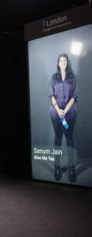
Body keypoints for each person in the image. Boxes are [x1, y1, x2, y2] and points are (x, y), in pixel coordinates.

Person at [49, 53, 77, 183]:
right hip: (56, 115)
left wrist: (65, 110)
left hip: (69, 115)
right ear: (58, 63)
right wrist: (58, 110)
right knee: (58, 139)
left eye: (65, 61)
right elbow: (51, 95)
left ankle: (71, 168)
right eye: (61, 61)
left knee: (69, 139)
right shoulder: (54, 77)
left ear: (67, 63)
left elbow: (74, 96)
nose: (63, 63)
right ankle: (57, 166)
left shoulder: (72, 77)